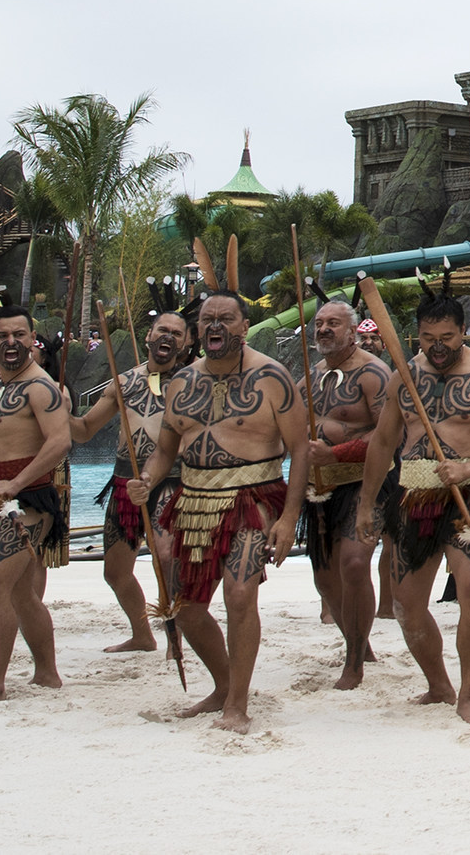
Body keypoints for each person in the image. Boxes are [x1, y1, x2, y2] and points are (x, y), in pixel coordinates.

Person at [134, 289, 308, 731]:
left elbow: (301, 450)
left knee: (240, 593)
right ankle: (223, 685)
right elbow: (165, 450)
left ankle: (238, 705)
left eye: (226, 318)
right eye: (208, 319)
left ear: (244, 326)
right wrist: (148, 480)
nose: (215, 325)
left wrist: (289, 518)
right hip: (193, 500)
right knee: (186, 606)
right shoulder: (182, 382)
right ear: (198, 330)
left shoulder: (272, 377)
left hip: (254, 497)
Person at [356, 289, 470, 725]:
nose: (437, 345)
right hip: (412, 496)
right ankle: (438, 683)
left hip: (468, 496)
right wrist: (365, 505)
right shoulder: (404, 376)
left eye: (447, 336)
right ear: (416, 335)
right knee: (406, 604)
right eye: (428, 336)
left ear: (463, 332)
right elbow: (382, 442)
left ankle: (468, 693)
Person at [68, 307, 196, 653]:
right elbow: (83, 431)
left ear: (186, 343)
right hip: (124, 483)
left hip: (170, 482)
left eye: (176, 332)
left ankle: (176, 638)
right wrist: (58, 408)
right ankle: (142, 635)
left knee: (166, 559)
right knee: (115, 572)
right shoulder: (123, 383)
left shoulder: (193, 382)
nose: (167, 336)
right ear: (149, 337)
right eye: (162, 330)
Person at [0, 303, 74, 701]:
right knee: (20, 594)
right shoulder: (0, 387)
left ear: (32, 339)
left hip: (31, 500)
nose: (11, 342)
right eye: (2, 336)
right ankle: (47, 674)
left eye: (19, 335)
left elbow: (60, 442)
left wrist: (17, 483)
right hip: (3, 497)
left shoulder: (39, 387)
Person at [296, 298, 391, 685]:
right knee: (324, 579)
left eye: (333, 323)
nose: (323, 329)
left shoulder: (374, 373)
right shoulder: (308, 376)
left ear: (353, 331)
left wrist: (337, 451)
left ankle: (354, 662)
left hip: (365, 482)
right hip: (318, 487)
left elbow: (389, 435)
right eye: (319, 323)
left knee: (354, 564)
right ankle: (358, 640)